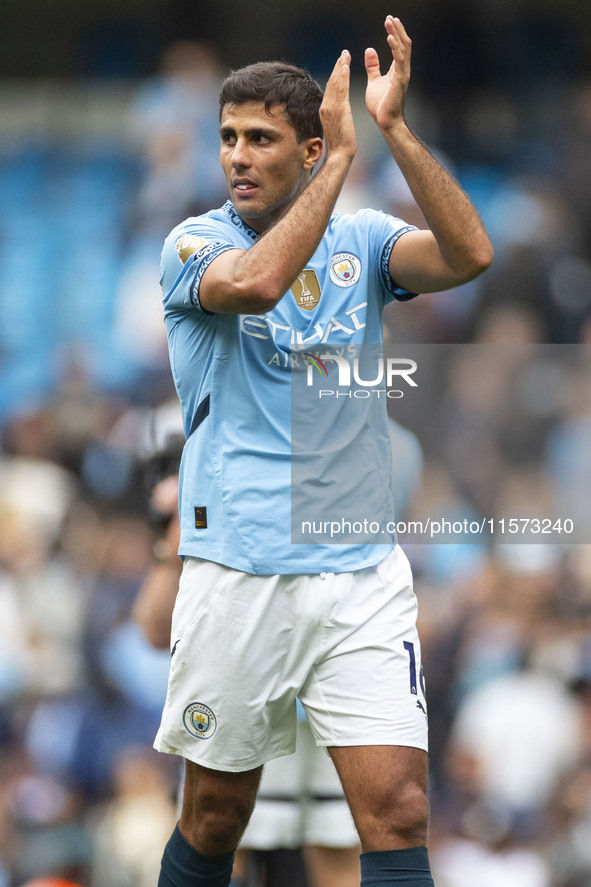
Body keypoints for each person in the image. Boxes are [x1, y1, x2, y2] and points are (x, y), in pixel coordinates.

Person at [154, 15, 493, 887]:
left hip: (358, 574)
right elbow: (258, 282)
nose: (235, 154)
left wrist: (393, 132)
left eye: (260, 138)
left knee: (398, 811)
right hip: (238, 569)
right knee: (216, 815)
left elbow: (469, 252)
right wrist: (339, 164)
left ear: (302, 149)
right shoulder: (194, 245)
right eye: (227, 136)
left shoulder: (365, 244)